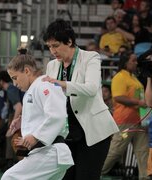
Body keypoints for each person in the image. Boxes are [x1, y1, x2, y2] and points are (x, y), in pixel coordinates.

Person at [42, 18, 119, 180]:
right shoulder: (52, 65)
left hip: (93, 132)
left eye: (55, 45)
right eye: (49, 46)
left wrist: (62, 84)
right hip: (67, 134)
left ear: (69, 41)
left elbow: (91, 89)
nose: (52, 51)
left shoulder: (91, 57)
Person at [1, 54, 74, 180]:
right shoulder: (33, 88)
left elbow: (58, 115)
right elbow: (42, 115)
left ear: (27, 71)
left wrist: (36, 136)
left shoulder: (45, 84)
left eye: (15, 77)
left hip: (50, 152)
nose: (15, 83)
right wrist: (23, 121)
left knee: (10, 177)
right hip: (46, 152)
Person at [101, 51, 149, 180]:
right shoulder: (119, 77)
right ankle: (97, 171)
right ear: (125, 62)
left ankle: (144, 177)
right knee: (116, 150)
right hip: (125, 120)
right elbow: (118, 97)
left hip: (138, 120)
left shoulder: (133, 77)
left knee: (142, 150)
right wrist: (139, 102)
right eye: (133, 60)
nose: (136, 63)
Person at [0, 70, 23, 168]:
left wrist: (12, 125)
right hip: (15, 117)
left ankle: (11, 163)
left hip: (16, 117)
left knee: (11, 137)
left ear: (1, 81)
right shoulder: (11, 89)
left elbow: (19, 107)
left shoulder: (11, 89)